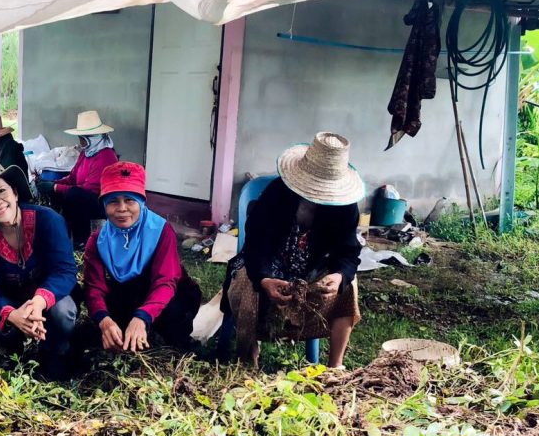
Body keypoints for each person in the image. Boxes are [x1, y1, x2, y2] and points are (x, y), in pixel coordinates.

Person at [223, 132, 363, 369]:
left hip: (310, 270)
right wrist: (265, 279)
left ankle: (335, 368)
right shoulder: (276, 194)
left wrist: (339, 276)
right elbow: (255, 245)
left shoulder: (345, 207)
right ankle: (248, 358)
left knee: (350, 285)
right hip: (267, 266)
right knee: (246, 281)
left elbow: (348, 252)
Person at [0, 162, 78, 380]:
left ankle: (57, 354)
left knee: (63, 312)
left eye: (1, 191)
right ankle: (16, 354)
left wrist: (39, 301)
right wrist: (11, 314)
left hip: (47, 299)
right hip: (11, 303)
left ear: (15, 193)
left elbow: (65, 270)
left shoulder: (48, 219)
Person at [82, 161, 201, 353]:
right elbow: (93, 287)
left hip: (167, 295)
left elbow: (165, 281)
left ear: (141, 202)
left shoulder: (160, 230)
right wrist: (104, 320)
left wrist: (142, 317)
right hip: (129, 294)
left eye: (129, 200)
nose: (122, 208)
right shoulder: (98, 240)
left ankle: (177, 343)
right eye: (113, 201)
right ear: (104, 204)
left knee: (175, 312)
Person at [38, 110, 119, 248]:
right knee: (61, 193)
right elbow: (73, 177)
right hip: (84, 197)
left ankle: (81, 239)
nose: (80, 141)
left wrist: (56, 187)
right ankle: (61, 231)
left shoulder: (106, 156)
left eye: (82, 138)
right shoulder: (86, 153)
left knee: (74, 194)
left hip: (101, 203)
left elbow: (89, 190)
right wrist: (52, 184)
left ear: (92, 138)